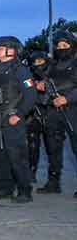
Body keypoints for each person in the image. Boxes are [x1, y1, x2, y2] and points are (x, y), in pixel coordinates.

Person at [0, 36, 37, 203]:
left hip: (12, 118)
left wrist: (19, 114)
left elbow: (31, 95)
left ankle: (24, 190)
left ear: (11, 51)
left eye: (0, 48)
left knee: (17, 156)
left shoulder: (20, 70)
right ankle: (4, 188)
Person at [36, 31, 77, 197]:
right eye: (59, 45)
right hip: (53, 111)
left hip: (73, 110)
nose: (61, 48)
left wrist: (67, 98)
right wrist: (42, 87)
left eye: (65, 45)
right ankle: (53, 182)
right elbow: (47, 83)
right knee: (52, 148)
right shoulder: (52, 65)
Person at [26, 51, 50, 181]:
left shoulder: (53, 73)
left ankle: (53, 178)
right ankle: (31, 172)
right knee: (32, 145)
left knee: (52, 147)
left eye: (40, 61)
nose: (37, 64)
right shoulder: (29, 75)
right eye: (35, 62)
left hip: (51, 113)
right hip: (34, 113)